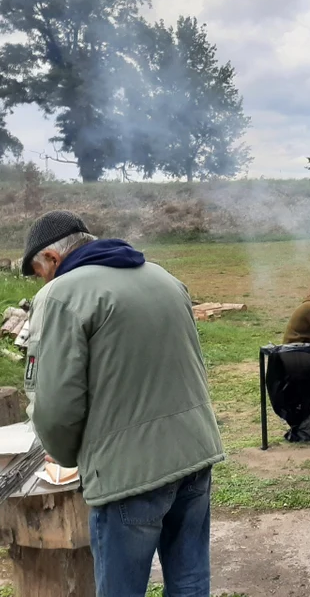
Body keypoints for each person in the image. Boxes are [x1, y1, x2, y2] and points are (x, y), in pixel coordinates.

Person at [22, 210, 224, 596]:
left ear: (50, 258)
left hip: (130, 475)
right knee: (190, 581)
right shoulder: (163, 277)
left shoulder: (62, 295)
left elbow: (55, 406)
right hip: (195, 453)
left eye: (38, 270)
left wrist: (64, 456)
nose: (41, 280)